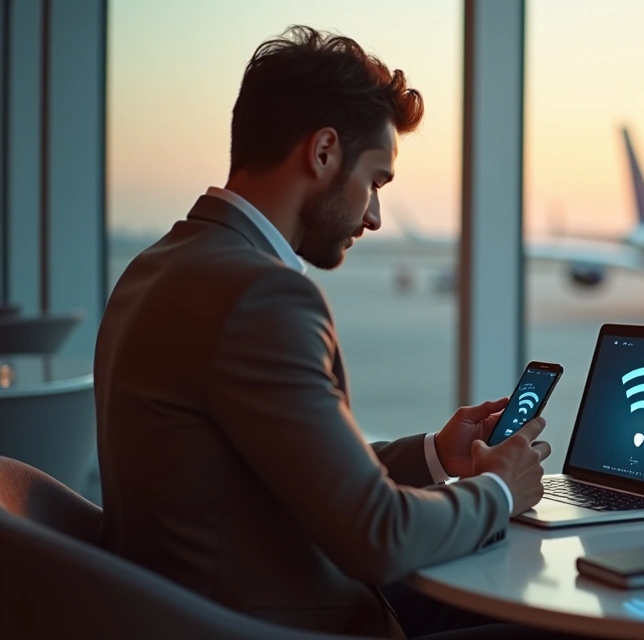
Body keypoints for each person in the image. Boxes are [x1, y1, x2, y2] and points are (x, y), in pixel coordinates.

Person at [95, 25, 570, 639]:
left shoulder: (157, 265)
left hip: (208, 604)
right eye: (374, 182)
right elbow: (378, 536)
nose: (374, 216)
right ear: (322, 153)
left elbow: (283, 471)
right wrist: (500, 489)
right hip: (294, 620)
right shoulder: (262, 297)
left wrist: (435, 455)